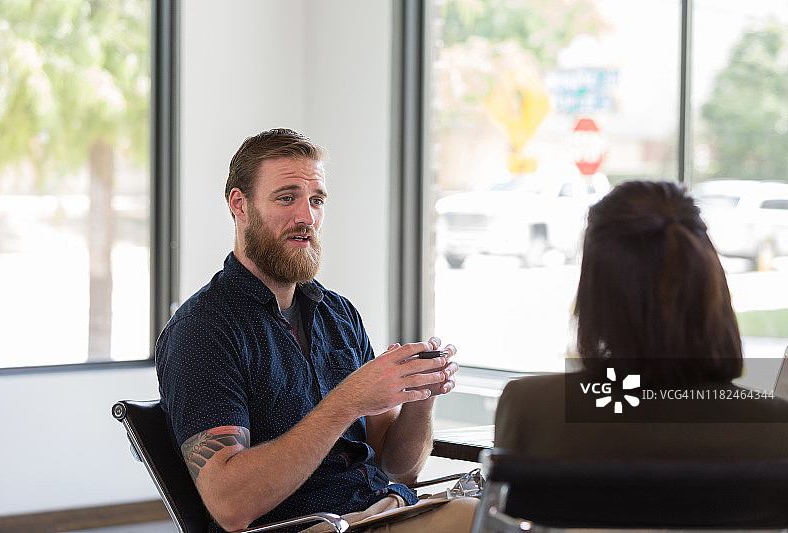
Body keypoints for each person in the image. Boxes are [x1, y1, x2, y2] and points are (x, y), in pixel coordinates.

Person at [156, 128, 478, 533]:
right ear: (239, 205)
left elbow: (398, 469)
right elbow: (230, 504)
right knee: (482, 522)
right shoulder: (203, 331)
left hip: (382, 509)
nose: (306, 217)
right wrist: (348, 401)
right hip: (313, 526)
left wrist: (420, 395)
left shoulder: (338, 315)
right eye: (286, 198)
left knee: (504, 510)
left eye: (316, 200)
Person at [495, 180, 788, 460]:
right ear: (711, 289)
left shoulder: (530, 409)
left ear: (596, 292)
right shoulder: (775, 424)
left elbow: (506, 510)